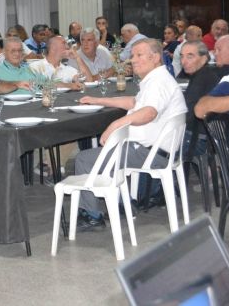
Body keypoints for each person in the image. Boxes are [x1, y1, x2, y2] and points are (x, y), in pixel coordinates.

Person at [74, 39, 187, 231]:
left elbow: (149, 112)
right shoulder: (157, 79)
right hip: (159, 152)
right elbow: (134, 102)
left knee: (84, 159)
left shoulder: (157, 82)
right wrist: (97, 100)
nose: (133, 60)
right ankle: (120, 205)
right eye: (132, 55)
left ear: (155, 58)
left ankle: (91, 215)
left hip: (149, 153)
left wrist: (115, 124)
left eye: (139, 55)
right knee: (109, 155)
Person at [179, 40, 221, 157]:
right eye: (182, 56)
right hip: (206, 134)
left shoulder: (202, 79)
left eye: (190, 56)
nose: (184, 61)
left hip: (200, 139)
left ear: (203, 59)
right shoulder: (205, 73)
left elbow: (187, 115)